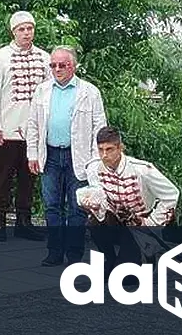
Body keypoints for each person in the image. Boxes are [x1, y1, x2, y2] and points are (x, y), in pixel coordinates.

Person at [26, 46, 106, 266]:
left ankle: (74, 254)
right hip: (50, 154)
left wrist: (95, 161)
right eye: (53, 65)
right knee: (52, 205)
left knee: (77, 206)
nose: (57, 69)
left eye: (63, 65)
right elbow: (33, 124)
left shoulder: (90, 92)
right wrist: (32, 154)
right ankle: (54, 252)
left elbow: (99, 127)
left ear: (74, 66)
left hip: (78, 156)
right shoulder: (42, 90)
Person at [0, 11, 49, 242]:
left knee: (28, 177)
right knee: (3, 178)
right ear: (13, 32)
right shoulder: (0, 58)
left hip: (34, 130)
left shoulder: (44, 58)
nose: (26, 33)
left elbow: (48, 95)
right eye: (21, 29)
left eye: (29, 28)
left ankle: (24, 222)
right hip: (8, 128)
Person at [80, 127, 180, 268]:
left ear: (120, 148)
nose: (104, 155)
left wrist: (150, 222)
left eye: (109, 149)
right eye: (100, 150)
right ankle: (110, 259)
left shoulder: (142, 169)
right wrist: (92, 204)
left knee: (127, 275)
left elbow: (171, 194)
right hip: (116, 221)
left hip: (139, 225)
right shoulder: (94, 168)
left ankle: (146, 254)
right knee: (93, 223)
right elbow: (99, 194)